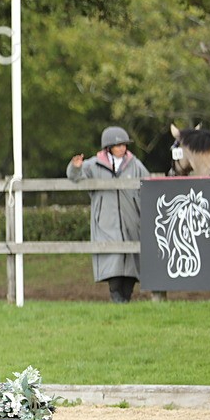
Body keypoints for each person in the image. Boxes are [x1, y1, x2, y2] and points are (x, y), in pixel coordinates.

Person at [67, 126, 150, 303]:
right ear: (109, 147)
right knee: (114, 261)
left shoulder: (135, 164)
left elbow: (148, 183)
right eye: (118, 145)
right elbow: (75, 177)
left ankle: (125, 300)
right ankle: (116, 298)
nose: (122, 148)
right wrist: (75, 167)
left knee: (131, 262)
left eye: (124, 145)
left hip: (131, 220)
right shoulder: (94, 164)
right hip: (106, 221)